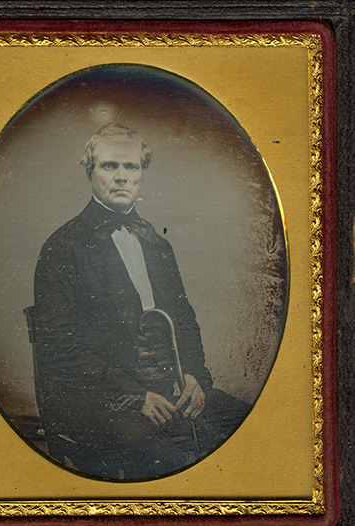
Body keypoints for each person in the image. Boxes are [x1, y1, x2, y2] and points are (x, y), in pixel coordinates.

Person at [32, 123, 250, 480]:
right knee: (167, 464)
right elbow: (58, 348)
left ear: (141, 174)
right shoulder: (62, 247)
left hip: (167, 390)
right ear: (90, 171)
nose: (121, 176)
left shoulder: (156, 245)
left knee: (249, 425)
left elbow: (184, 320)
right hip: (97, 402)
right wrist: (135, 396)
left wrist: (193, 376)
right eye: (109, 165)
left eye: (131, 166)